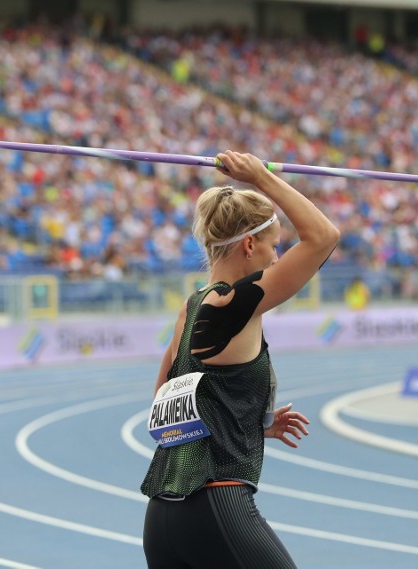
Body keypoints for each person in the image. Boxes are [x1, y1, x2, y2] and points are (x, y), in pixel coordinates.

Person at [141, 150, 339, 569]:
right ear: (250, 244)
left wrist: (247, 422)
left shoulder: (190, 307)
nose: (275, 257)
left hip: (161, 516)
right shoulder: (238, 303)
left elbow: (166, 405)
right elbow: (323, 237)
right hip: (216, 504)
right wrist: (260, 178)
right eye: (274, 246)